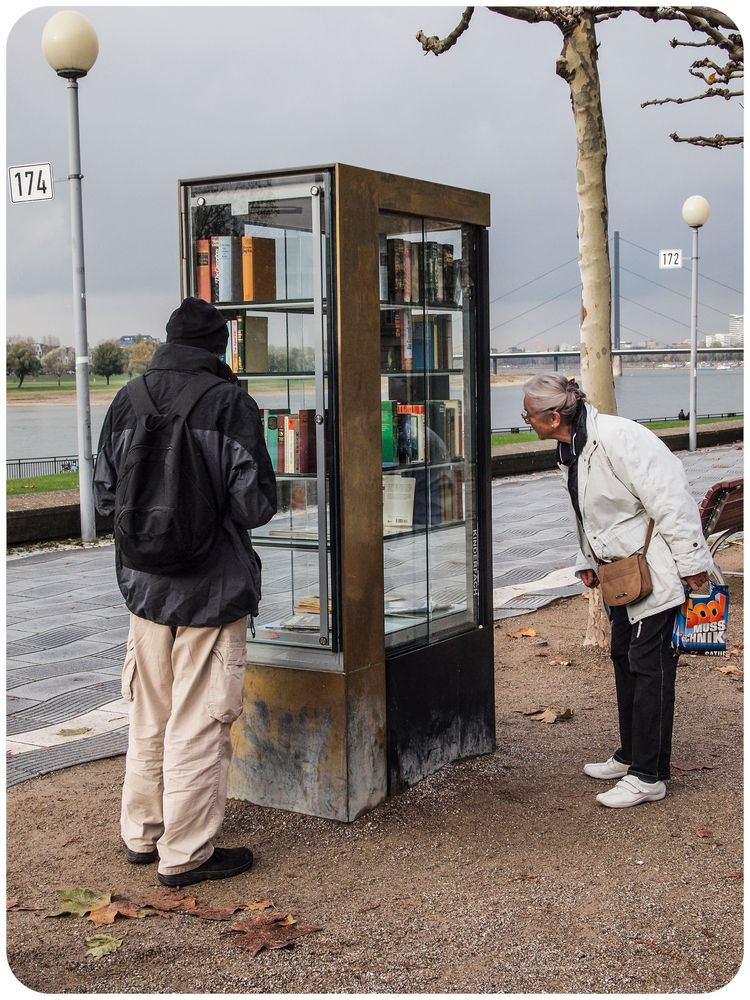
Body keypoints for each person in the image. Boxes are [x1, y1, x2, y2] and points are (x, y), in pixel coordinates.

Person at [94, 297, 277, 884]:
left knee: (149, 714)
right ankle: (186, 855)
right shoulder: (229, 403)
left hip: (144, 590)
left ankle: (142, 836)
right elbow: (256, 503)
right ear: (219, 345)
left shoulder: (128, 398)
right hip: (211, 592)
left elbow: (104, 498)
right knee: (199, 722)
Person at [522, 373, 713, 809]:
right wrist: (585, 561)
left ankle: (649, 775)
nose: (525, 421)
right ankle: (632, 756)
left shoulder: (619, 438)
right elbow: (587, 513)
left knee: (650, 666)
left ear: (553, 416)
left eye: (528, 415)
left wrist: (693, 568)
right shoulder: (571, 449)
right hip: (620, 571)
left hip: (654, 568)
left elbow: (672, 502)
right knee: (625, 657)